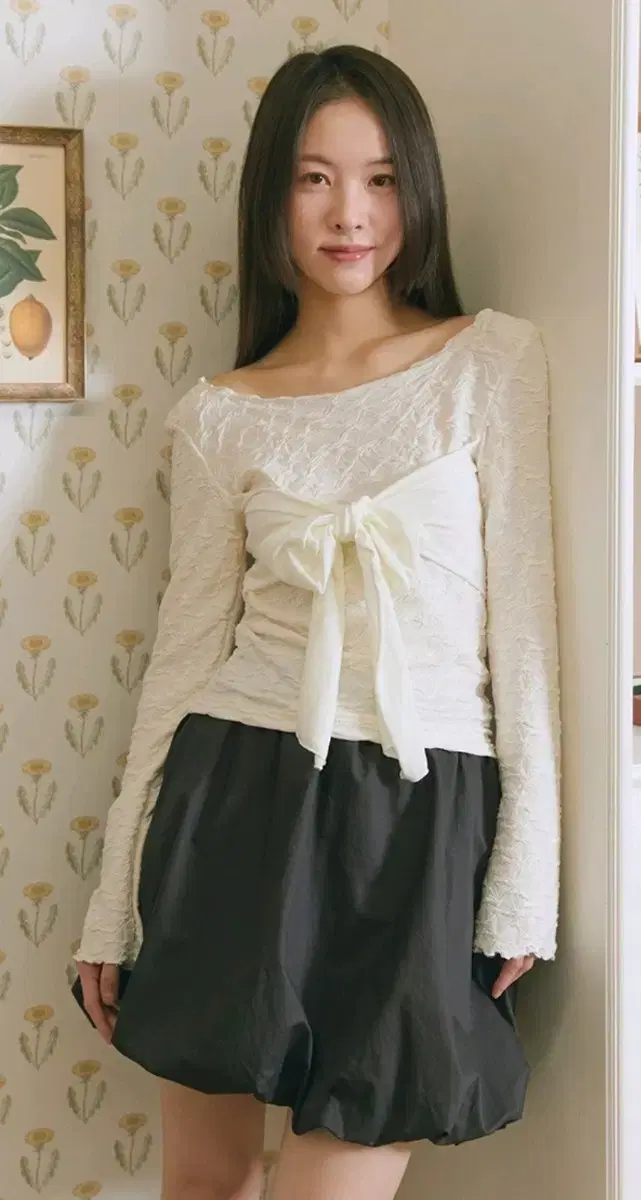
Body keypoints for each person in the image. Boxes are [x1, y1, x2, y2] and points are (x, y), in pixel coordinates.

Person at [73, 43, 561, 1200]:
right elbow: (182, 658)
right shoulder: (218, 416)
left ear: (415, 189)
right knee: (204, 1185)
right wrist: (110, 909)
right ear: (272, 198)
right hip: (233, 797)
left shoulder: (489, 363)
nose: (351, 214)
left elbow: (526, 637)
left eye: (381, 178)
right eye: (314, 179)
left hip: (420, 816)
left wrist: (522, 881)